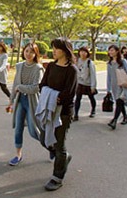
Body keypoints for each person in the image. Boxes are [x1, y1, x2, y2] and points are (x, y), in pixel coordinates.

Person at [37, 37, 77, 191]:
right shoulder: (52, 66)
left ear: (65, 51)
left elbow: (69, 94)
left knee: (59, 145)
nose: (53, 51)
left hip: (63, 113)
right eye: (53, 48)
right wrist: (49, 95)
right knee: (44, 139)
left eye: (56, 48)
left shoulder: (71, 70)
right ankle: (64, 158)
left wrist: (55, 97)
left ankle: (57, 178)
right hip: (49, 109)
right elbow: (43, 85)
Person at [8, 42, 45, 166]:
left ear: (36, 54)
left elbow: (35, 88)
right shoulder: (19, 66)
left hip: (32, 101)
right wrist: (11, 100)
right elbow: (15, 85)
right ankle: (18, 155)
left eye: (31, 52)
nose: (28, 54)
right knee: (18, 128)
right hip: (20, 101)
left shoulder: (38, 68)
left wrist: (20, 87)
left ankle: (51, 147)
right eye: (26, 51)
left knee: (33, 130)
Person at [106, 44, 127, 130]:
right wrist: (108, 89)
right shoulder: (109, 63)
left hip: (123, 85)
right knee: (119, 102)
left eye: (112, 50)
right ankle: (125, 117)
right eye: (109, 50)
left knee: (120, 101)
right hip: (114, 86)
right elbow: (109, 77)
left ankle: (114, 120)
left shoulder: (123, 61)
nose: (110, 52)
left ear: (117, 51)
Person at [74, 47, 97, 120]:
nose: (83, 53)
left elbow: (93, 75)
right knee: (78, 98)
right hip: (79, 83)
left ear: (87, 53)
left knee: (91, 97)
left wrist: (93, 86)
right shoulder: (77, 61)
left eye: (85, 52)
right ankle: (76, 114)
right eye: (81, 51)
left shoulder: (89, 62)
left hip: (88, 84)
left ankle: (93, 110)